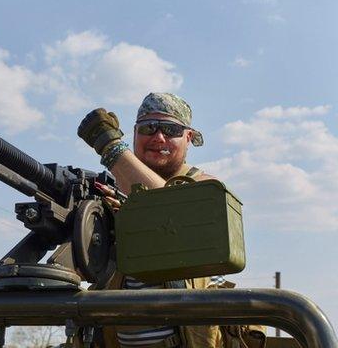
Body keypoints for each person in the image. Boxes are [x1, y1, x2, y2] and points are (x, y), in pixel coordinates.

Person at [77, 93, 265, 348]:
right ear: (134, 134)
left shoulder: (206, 187)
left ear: (189, 138)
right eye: (148, 128)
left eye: (171, 129)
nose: (158, 138)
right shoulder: (116, 191)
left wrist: (112, 149)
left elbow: (171, 212)